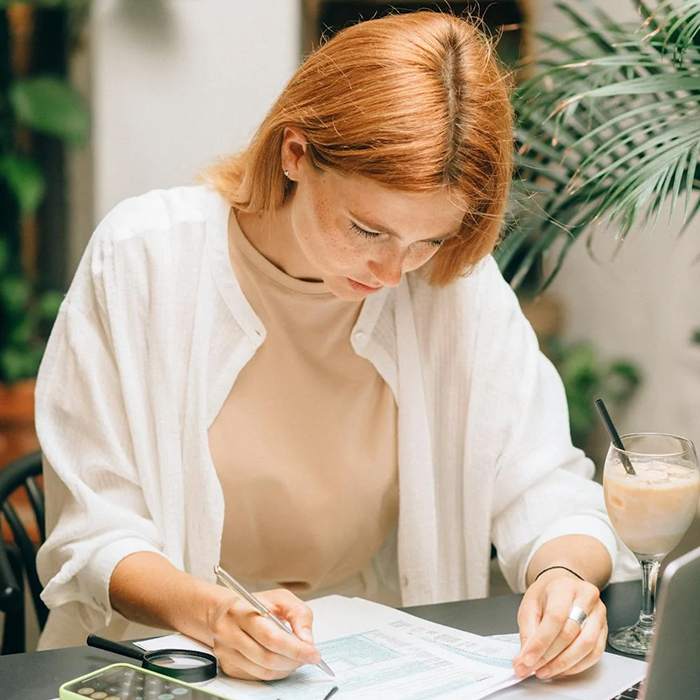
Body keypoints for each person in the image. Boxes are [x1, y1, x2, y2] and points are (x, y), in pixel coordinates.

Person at [35, 10, 634, 684]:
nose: (391, 272)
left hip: (368, 671)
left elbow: (544, 482)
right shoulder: (144, 259)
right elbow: (94, 534)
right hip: (166, 664)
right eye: (367, 229)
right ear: (294, 152)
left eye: (429, 239)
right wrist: (214, 615)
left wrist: (563, 577)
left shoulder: (448, 286)